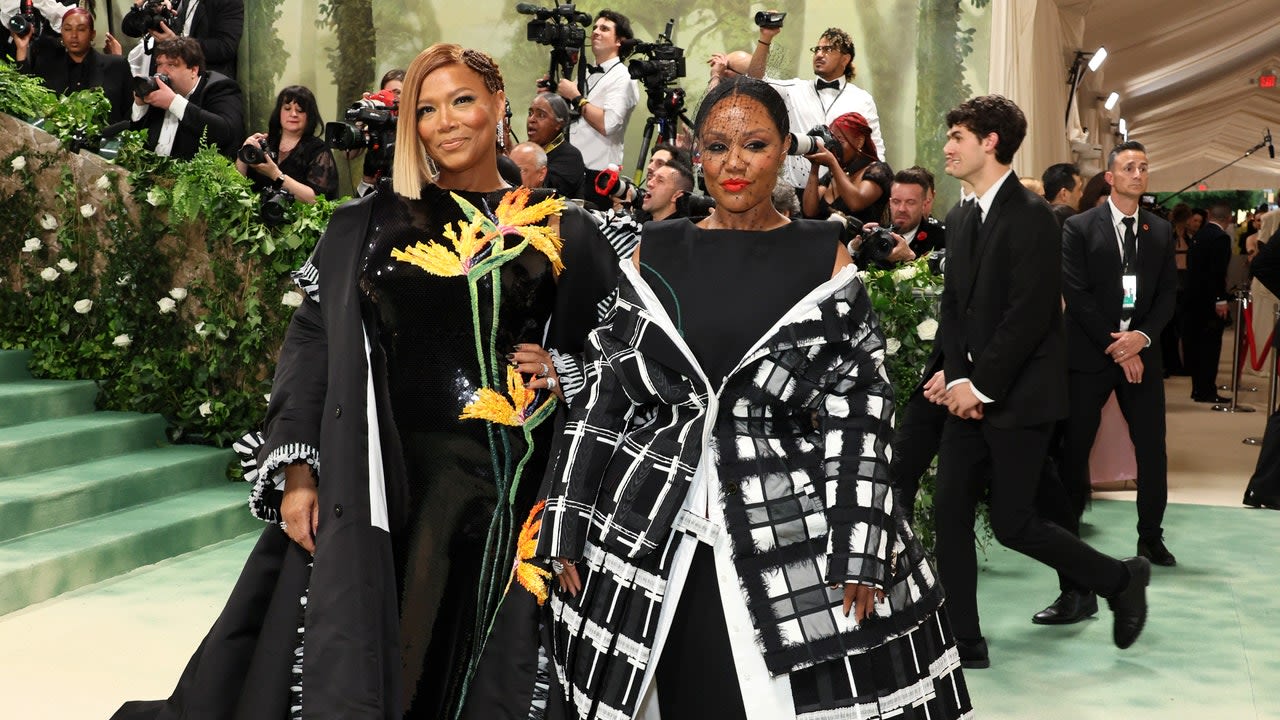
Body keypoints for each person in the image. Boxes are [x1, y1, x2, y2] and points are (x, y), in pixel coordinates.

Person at [110, 43, 617, 720]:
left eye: (463, 100)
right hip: (380, 480)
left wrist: (569, 369)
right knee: (375, 658)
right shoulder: (365, 222)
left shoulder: (562, 227)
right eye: (427, 110)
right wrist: (298, 472)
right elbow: (312, 345)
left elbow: (623, 356)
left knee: (477, 666)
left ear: (499, 104)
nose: (448, 122)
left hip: (505, 489)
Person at [536, 76, 971, 720]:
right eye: (716, 146)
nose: (734, 163)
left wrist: (860, 539)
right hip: (649, 525)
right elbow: (607, 397)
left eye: (755, 145)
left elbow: (860, 406)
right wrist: (565, 519)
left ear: (787, 150)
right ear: (697, 155)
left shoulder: (822, 252)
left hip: (797, 533)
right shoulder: (650, 251)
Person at [933, 94, 1150, 669]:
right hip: (968, 398)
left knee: (1014, 524)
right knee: (949, 514)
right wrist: (957, 378)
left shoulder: (1032, 217)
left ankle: (1120, 579)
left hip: (1020, 399)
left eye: (957, 135)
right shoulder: (959, 217)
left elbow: (1030, 315)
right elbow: (953, 307)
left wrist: (979, 388)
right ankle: (964, 641)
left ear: (990, 142)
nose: (947, 146)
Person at [1041, 140, 1178, 629]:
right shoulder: (1079, 228)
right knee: (1074, 448)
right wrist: (1114, 345)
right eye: (1129, 167)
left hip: (1141, 353)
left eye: (1144, 167)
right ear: (1110, 176)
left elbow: (1166, 295)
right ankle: (1070, 540)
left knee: (1152, 449)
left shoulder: (1159, 230)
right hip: (1090, 354)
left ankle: (1151, 535)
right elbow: (1073, 292)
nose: (1138, 174)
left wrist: (1139, 340)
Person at [748, 18, 886, 192]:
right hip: (796, 192)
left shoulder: (862, 99)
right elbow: (754, 80)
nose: (819, 54)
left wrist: (875, 190)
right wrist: (765, 38)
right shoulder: (794, 89)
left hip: (842, 194)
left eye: (828, 49)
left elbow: (875, 149)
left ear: (845, 59)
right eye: (817, 49)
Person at [551, 9, 639, 209]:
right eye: (595, 27)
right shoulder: (587, 71)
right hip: (572, 170)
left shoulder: (623, 78)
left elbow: (608, 125)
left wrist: (576, 97)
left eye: (605, 29)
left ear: (619, 41)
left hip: (597, 177)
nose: (596, 32)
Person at [9, 7, 132, 124]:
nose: (74, 35)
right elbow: (26, 96)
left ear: (92, 34)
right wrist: (22, 48)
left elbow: (129, 111)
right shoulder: (47, 66)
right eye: (68, 29)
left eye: (81, 29)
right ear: (61, 32)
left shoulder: (116, 65)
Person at [129, 37, 243, 159]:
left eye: (171, 65)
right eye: (159, 64)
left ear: (193, 70)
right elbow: (135, 139)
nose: (162, 71)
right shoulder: (158, 91)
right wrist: (140, 106)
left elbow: (227, 132)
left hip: (194, 174)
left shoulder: (220, 88)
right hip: (150, 171)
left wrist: (174, 103)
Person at [235, 84, 338, 203]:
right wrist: (243, 153)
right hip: (254, 217)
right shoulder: (265, 143)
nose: (293, 114)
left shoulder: (318, 150)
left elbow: (316, 200)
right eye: (287, 108)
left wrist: (276, 174)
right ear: (279, 112)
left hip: (299, 219)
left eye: (300, 110)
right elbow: (236, 187)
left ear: (309, 116)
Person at [800, 111, 892, 225]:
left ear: (859, 141)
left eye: (840, 141)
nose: (835, 146)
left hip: (860, 241)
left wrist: (833, 163)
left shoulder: (878, 171)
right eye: (833, 141)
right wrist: (815, 165)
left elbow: (856, 203)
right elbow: (809, 211)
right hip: (826, 240)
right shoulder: (832, 175)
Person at [1185, 203, 1234, 402]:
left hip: (1193, 299)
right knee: (1210, 347)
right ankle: (1207, 390)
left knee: (1197, 346)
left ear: (1208, 215)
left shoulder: (1199, 235)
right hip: (1209, 301)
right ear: (1229, 219)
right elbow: (1217, 272)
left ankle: (1198, 388)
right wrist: (1220, 299)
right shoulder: (1220, 238)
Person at [121, 0, 243, 79]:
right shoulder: (176, 2)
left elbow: (225, 47)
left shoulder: (227, 2)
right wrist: (146, 6)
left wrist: (177, 42)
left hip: (203, 82)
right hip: (165, 79)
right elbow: (129, 28)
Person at [352, 68, 405, 197]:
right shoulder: (375, 125)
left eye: (398, 93)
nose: (393, 98)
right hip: (371, 191)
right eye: (388, 93)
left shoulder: (418, 124)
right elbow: (349, 155)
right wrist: (362, 120)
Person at [525, 91, 585, 200]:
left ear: (558, 124)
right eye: (530, 113)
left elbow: (546, 194)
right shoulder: (525, 150)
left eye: (541, 115)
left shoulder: (570, 157)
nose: (531, 119)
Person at [889, 165, 946, 257]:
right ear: (890, 203)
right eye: (896, 202)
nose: (901, 209)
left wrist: (910, 257)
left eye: (910, 202)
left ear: (924, 204)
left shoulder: (944, 238)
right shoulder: (879, 236)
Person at [1042, 162, 1082, 227]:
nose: (1081, 195)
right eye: (1079, 190)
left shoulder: (1037, 217)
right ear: (1064, 194)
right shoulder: (1072, 223)